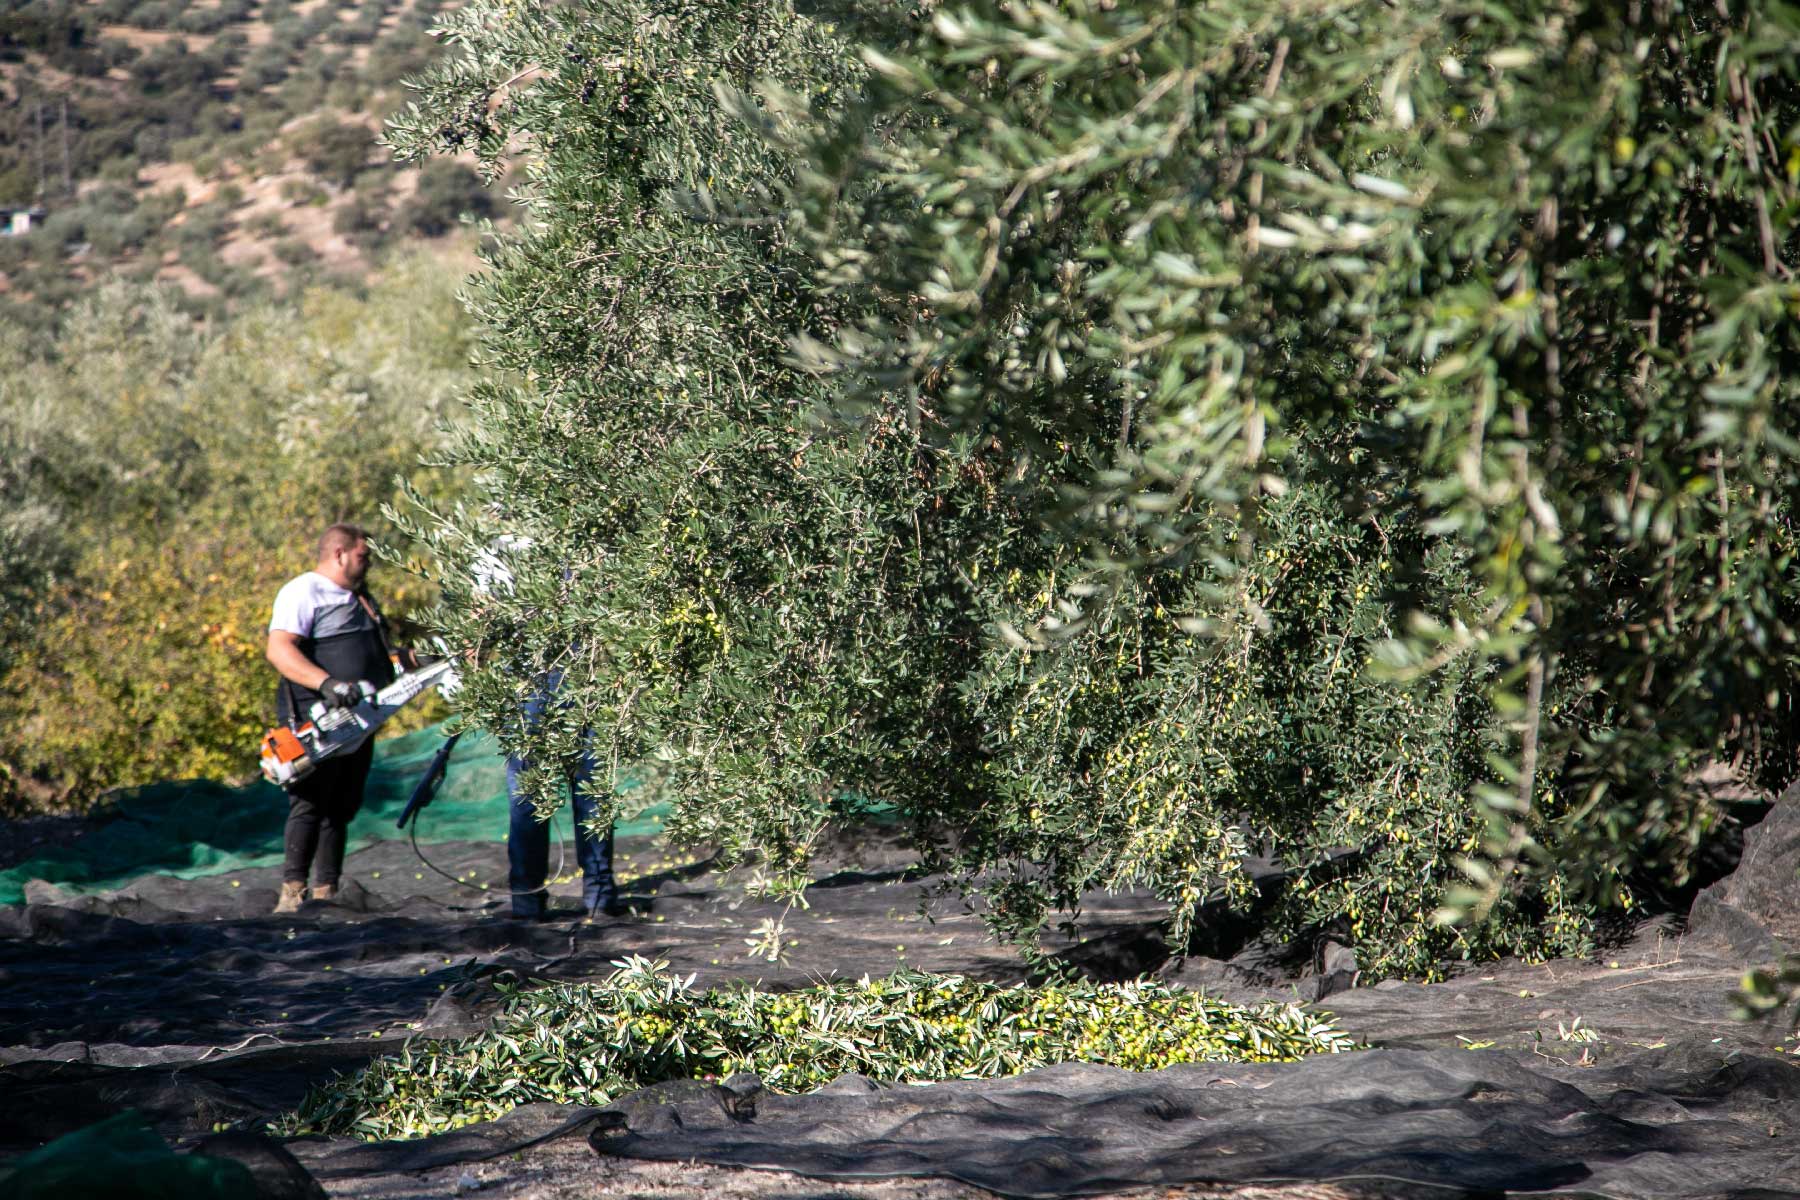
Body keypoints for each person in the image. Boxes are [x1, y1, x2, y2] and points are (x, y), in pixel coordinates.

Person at [471, 536, 621, 921]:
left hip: (586, 678)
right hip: (530, 683)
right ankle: (532, 898)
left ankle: (595, 897)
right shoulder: (500, 548)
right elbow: (479, 621)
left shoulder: (589, 539)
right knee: (530, 793)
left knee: (591, 787)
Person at [265, 523, 404, 914]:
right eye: (363, 555)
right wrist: (327, 684)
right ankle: (292, 894)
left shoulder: (361, 598)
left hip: (359, 719)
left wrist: (410, 661)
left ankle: (326, 892)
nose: (369, 563)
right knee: (309, 802)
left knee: (342, 805)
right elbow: (279, 650)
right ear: (339, 554)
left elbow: (378, 653)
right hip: (316, 719)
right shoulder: (303, 591)